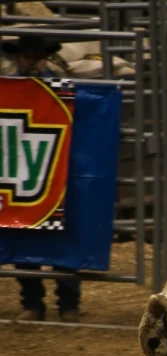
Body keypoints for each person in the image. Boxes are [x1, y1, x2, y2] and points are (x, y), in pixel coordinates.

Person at [1, 35, 82, 323]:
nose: (32, 60)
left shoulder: (65, 87)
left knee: (66, 238)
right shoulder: (7, 88)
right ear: (19, 57)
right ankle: (33, 302)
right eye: (26, 55)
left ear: (45, 56)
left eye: (36, 55)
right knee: (25, 238)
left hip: (54, 171)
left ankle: (69, 304)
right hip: (22, 174)